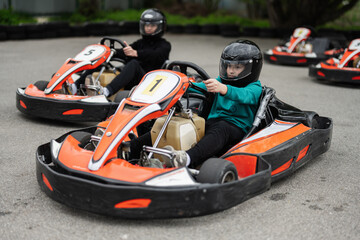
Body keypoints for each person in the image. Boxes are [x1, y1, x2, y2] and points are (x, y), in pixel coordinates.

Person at [130, 39, 263, 168]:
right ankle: (131, 148)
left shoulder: (254, 88)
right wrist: (180, 85)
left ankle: (186, 159)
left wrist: (224, 89)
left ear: (252, 68)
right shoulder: (221, 81)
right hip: (211, 123)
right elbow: (199, 87)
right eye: (229, 66)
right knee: (175, 123)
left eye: (237, 67)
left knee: (221, 128)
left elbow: (245, 96)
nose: (231, 71)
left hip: (236, 128)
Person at [76, 8, 171, 97]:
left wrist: (136, 53)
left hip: (149, 81)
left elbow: (156, 55)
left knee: (133, 64)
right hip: (133, 78)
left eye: (152, 26)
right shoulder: (139, 43)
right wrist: (107, 51)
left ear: (160, 27)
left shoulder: (165, 45)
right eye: (147, 25)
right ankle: (74, 87)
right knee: (103, 62)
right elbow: (124, 52)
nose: (149, 28)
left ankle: (106, 92)